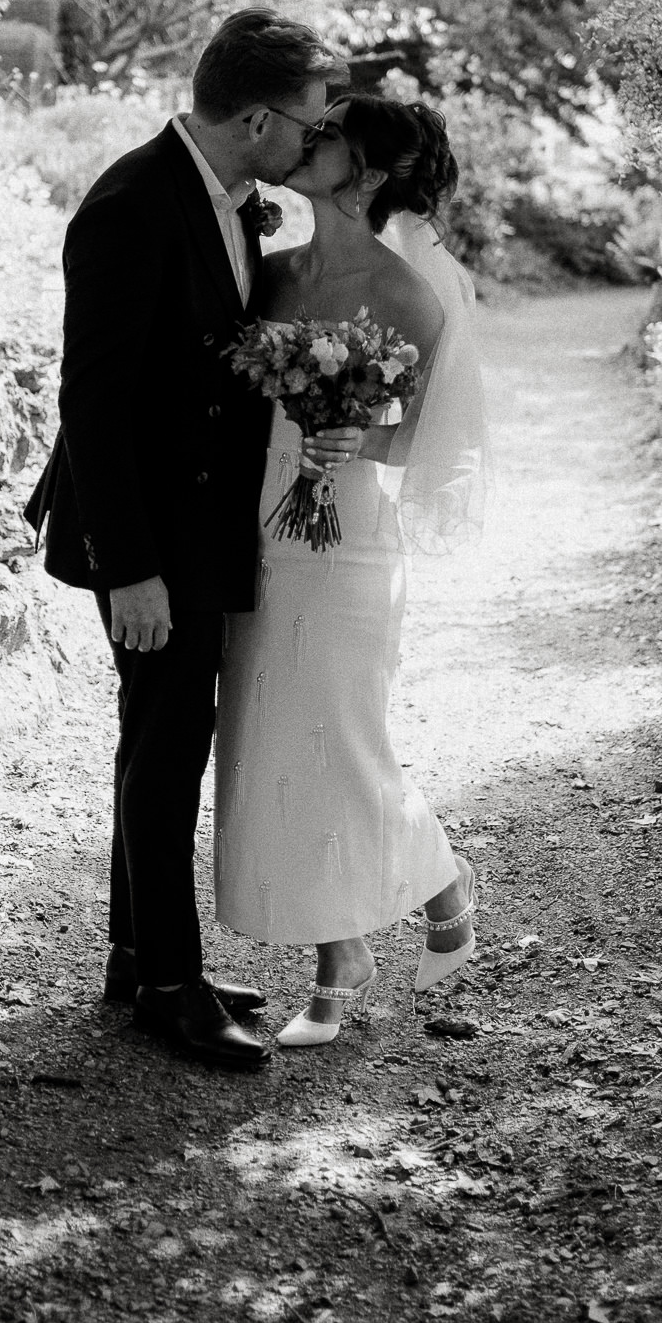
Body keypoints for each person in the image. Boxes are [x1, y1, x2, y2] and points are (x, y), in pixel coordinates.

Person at [25, 8, 338, 1071]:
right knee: (168, 750)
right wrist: (133, 570)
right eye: (306, 121)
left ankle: (136, 954)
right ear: (256, 119)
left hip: (200, 524)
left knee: (154, 739)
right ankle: (168, 983)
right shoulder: (131, 204)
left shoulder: (232, 198)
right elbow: (93, 406)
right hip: (154, 534)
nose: (315, 139)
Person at [213, 93, 489, 1045]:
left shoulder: (413, 293)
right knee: (271, 740)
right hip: (263, 527)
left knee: (343, 734)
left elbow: (426, 441)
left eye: (329, 134)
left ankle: (416, 893)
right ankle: (352, 944)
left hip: (353, 537)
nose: (308, 136)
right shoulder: (272, 273)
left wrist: (352, 428)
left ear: (367, 176)